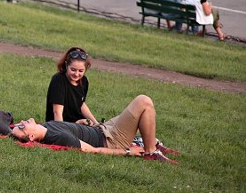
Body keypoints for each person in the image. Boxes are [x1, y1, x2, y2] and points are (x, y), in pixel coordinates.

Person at [11, 94, 177, 163]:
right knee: (144, 102)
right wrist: (127, 152)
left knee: (142, 112)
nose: (22, 121)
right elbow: (93, 150)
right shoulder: (58, 138)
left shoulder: (47, 126)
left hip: (103, 129)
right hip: (111, 140)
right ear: (31, 137)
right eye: (21, 126)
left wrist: (78, 125)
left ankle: (152, 143)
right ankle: (150, 152)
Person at [46, 47, 98, 125]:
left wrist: (96, 123)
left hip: (78, 124)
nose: (76, 74)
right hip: (60, 125)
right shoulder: (59, 80)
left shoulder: (84, 81)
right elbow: (57, 112)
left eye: (81, 71)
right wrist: (61, 132)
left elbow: (81, 104)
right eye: (73, 70)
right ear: (66, 65)